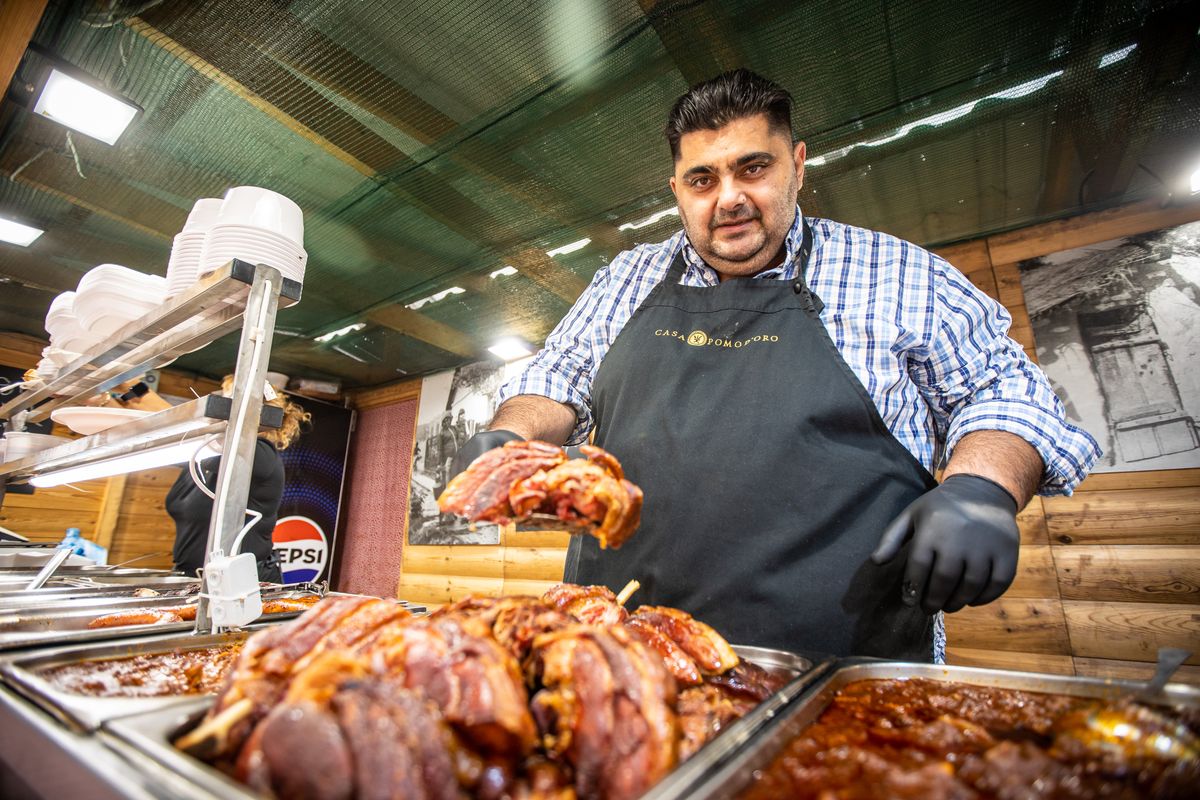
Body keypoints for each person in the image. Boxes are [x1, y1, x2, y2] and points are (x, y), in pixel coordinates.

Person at [457, 69, 1100, 661]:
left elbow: (1005, 390)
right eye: (703, 179)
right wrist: (510, 438)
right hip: (626, 661)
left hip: (840, 668)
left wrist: (981, 488)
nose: (729, 198)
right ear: (677, 190)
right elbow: (555, 378)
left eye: (753, 168)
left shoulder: (900, 274)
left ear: (797, 165)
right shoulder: (624, 279)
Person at [157, 376, 310, 583]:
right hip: (191, 578)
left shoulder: (259, 455)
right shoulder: (200, 460)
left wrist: (138, 393)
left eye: (228, 398)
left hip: (241, 582)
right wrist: (126, 395)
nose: (219, 407)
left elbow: (180, 437)